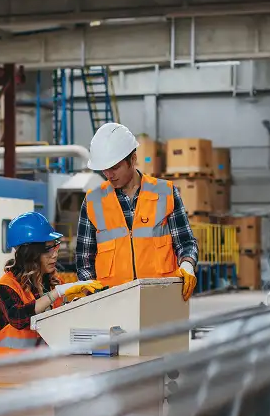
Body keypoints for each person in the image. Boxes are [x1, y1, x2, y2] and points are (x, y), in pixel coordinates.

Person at [76, 122, 198, 301]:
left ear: (132, 159)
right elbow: (83, 260)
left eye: (115, 167)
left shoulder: (166, 193)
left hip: (161, 299)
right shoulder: (93, 201)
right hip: (113, 303)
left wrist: (187, 264)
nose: (109, 174)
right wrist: (95, 298)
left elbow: (186, 243)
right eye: (104, 169)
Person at [0, 212, 104, 357]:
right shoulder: (5, 288)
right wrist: (57, 293)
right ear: (29, 254)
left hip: (42, 365)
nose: (54, 255)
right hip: (6, 371)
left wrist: (78, 303)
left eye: (55, 246)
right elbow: (18, 318)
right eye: (48, 249)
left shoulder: (53, 282)